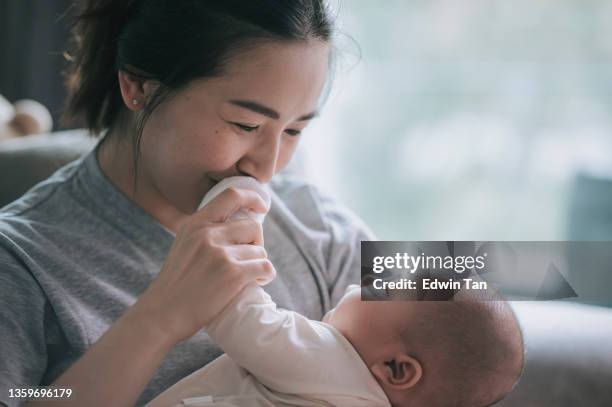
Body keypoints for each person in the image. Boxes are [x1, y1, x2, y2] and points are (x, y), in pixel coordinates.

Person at [0, 1, 369, 406]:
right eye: (245, 125)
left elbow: (448, 286)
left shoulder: (315, 220)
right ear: (139, 85)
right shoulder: (18, 262)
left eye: (295, 130)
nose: (267, 167)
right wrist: (161, 317)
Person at [147, 181, 524, 407]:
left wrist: (239, 213)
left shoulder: (332, 361)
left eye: (378, 288)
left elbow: (236, 311)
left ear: (397, 369)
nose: (359, 283)